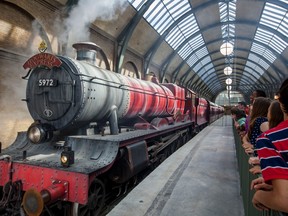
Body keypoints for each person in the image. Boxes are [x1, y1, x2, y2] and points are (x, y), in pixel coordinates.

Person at [251, 79, 288, 213]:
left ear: (282, 104)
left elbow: (284, 200)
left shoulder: (270, 140)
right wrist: (276, 183)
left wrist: (259, 196)